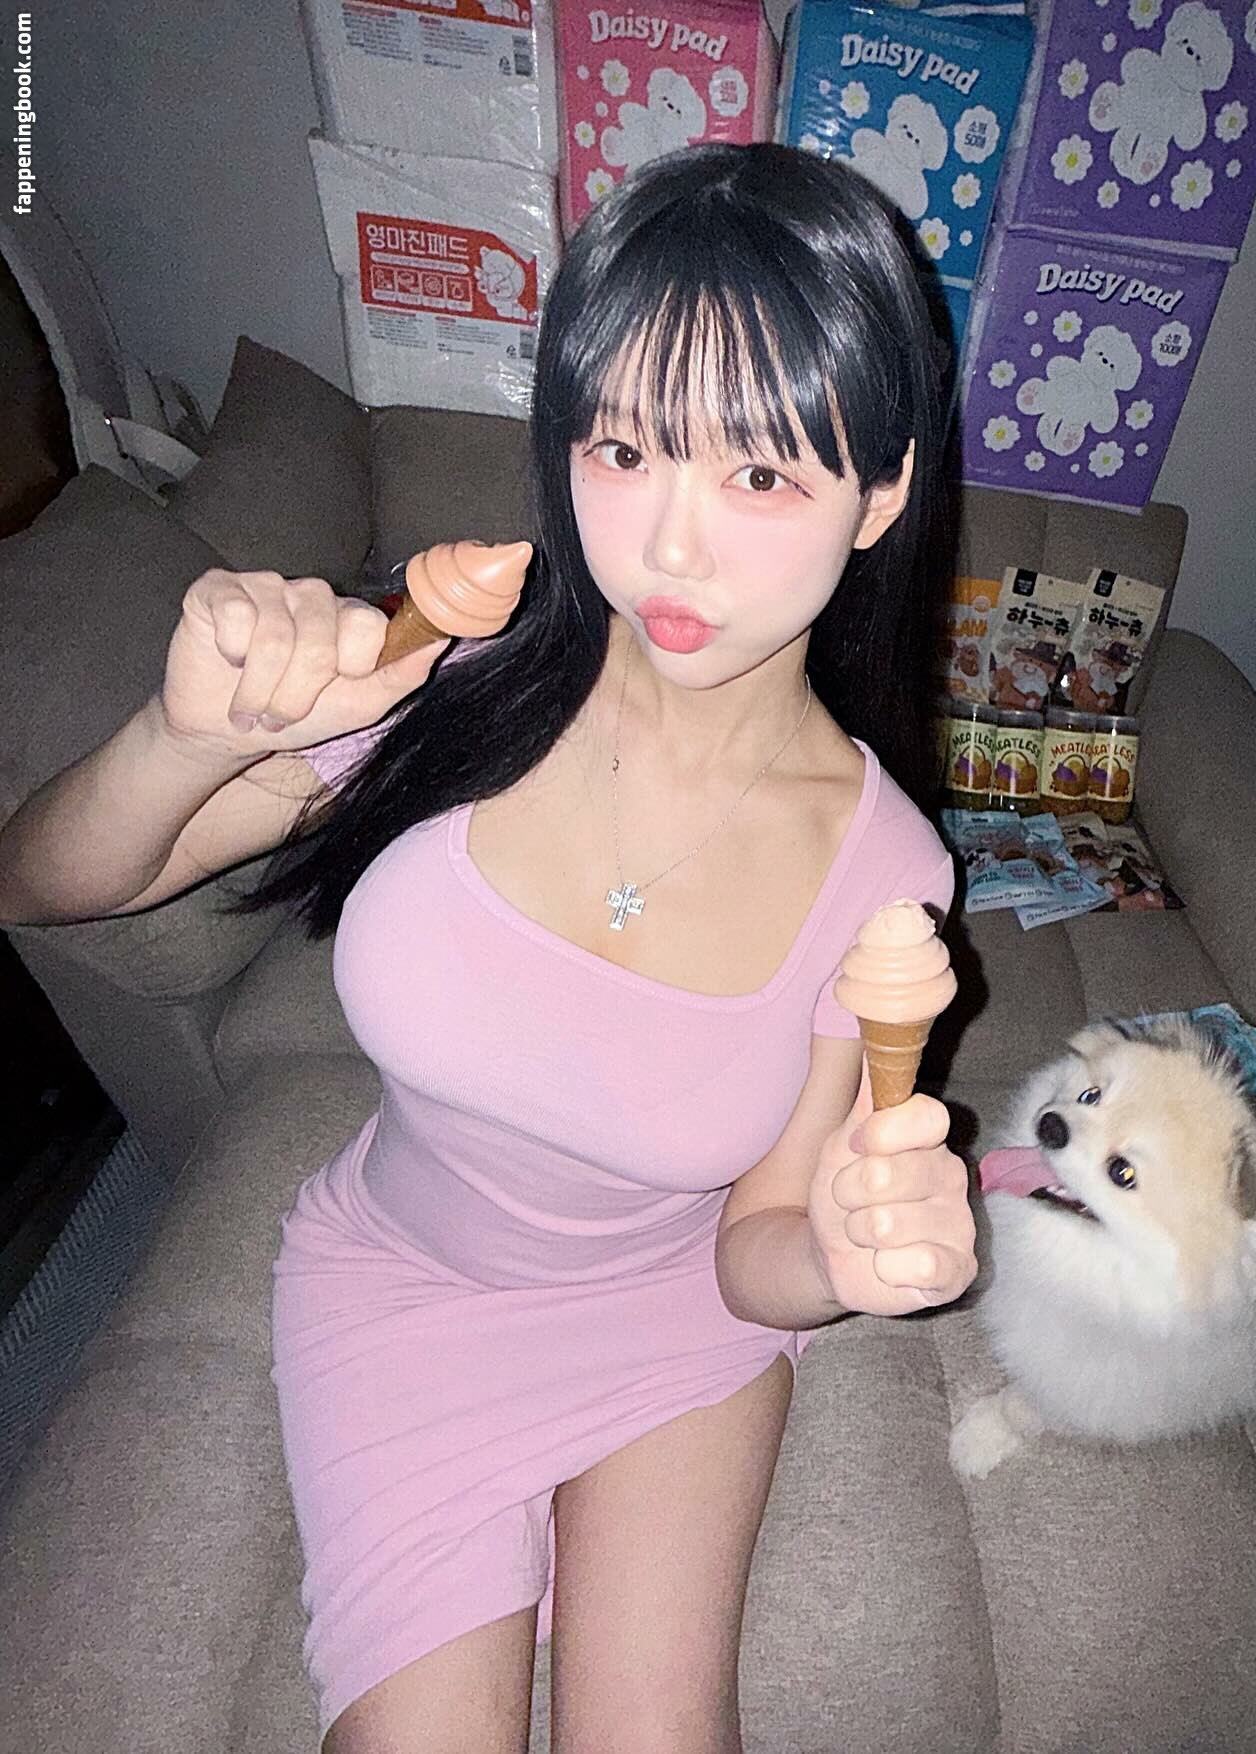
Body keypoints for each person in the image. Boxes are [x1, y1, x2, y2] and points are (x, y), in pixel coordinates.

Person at [0, 142, 977, 1753]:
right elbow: (43, 886)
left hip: (674, 1315)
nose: (671, 547)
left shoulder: (887, 870)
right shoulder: (450, 666)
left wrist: (846, 1259)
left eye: (758, 476)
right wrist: (186, 738)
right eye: (626, 448)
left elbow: (756, 1239)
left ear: (879, 493)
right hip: (402, 1286)